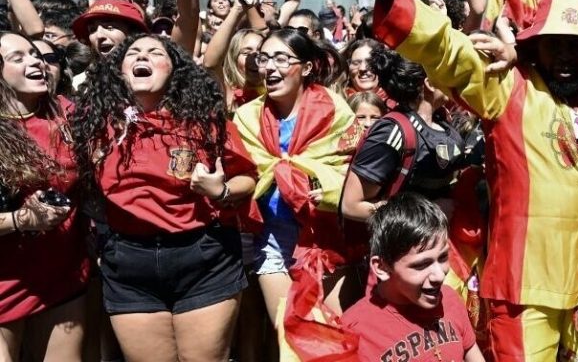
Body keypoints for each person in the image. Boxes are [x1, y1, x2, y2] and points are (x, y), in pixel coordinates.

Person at [335, 0, 578, 356]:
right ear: (533, 46)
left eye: (576, 45)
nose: (565, 55)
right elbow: (448, 50)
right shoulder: (509, 86)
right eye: (555, 42)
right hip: (523, 291)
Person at [70, 34, 258, 361]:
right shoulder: (93, 125)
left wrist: (222, 191)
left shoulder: (204, 121)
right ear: (119, 69)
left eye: (155, 52)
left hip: (203, 256)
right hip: (128, 262)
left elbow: (247, 177)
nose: (142, 56)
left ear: (174, 70)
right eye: (133, 53)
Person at [232, 27, 363, 324]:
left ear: (305, 68)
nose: (270, 67)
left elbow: (352, 167)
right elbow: (242, 169)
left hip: (324, 236)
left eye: (281, 58)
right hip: (272, 236)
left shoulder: (335, 110)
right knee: (289, 333)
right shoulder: (247, 117)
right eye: (264, 59)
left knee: (335, 332)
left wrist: (326, 185)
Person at [0, 31, 88, 361]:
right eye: (18, 57)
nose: (35, 60)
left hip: (60, 276)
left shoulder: (66, 114)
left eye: (35, 54)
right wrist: (21, 220)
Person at [341, 193, 484, 361]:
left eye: (443, 258)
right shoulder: (355, 331)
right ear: (382, 268)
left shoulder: (450, 299)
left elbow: (472, 353)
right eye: (422, 265)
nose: (439, 275)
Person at [340, 47, 465, 222]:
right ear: (429, 83)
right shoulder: (392, 132)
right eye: (443, 72)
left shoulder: (443, 120)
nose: (451, 79)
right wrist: (430, 212)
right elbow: (351, 207)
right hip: (408, 246)